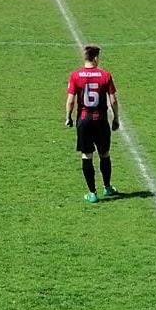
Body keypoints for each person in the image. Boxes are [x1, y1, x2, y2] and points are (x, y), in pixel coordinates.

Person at [65, 44, 119, 203]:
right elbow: (113, 100)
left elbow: (70, 101)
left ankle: (92, 193)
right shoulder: (105, 75)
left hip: (84, 120)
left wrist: (68, 117)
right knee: (104, 154)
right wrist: (116, 118)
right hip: (101, 120)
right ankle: (107, 187)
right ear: (95, 58)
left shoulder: (75, 76)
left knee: (86, 155)